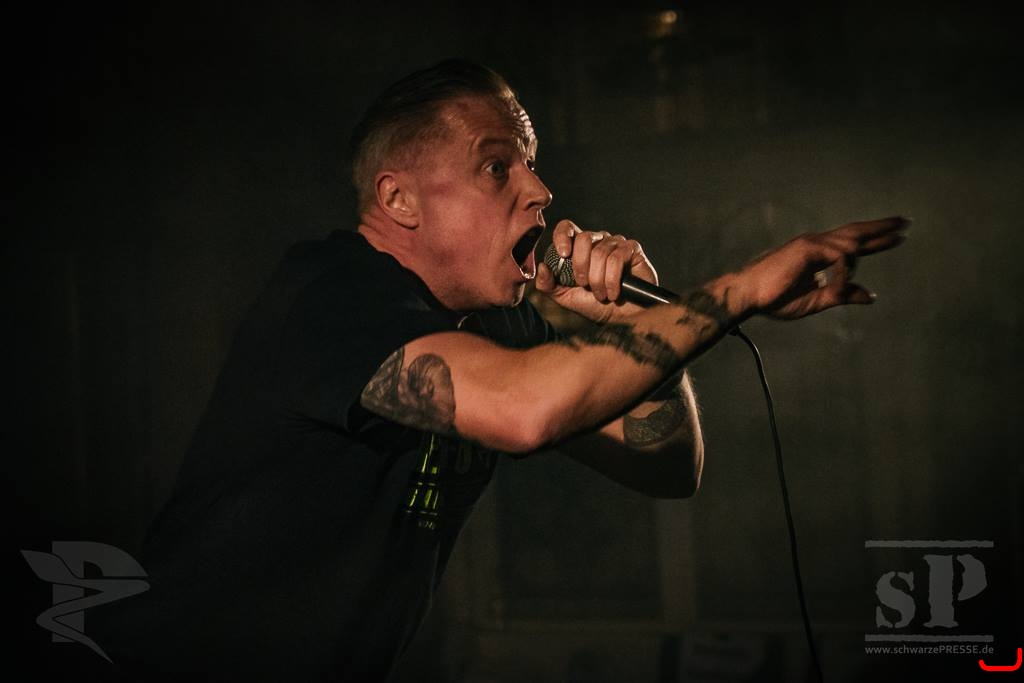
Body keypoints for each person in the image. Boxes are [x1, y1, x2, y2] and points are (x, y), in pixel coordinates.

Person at [91, 58, 907, 681]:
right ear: (400, 199)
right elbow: (524, 411)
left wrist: (630, 327)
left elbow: (667, 464)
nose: (540, 190)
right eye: (497, 167)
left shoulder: (499, 323)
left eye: (532, 164)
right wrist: (736, 291)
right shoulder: (329, 292)